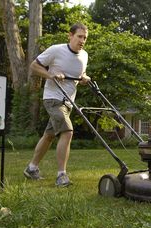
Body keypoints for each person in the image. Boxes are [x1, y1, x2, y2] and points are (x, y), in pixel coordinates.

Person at [23, 23, 90, 187]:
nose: (82, 40)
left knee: (49, 136)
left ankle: (31, 168)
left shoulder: (84, 55)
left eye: (85, 38)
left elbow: (80, 74)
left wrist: (84, 78)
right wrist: (50, 74)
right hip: (53, 98)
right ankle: (61, 175)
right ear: (70, 35)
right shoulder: (56, 50)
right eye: (79, 36)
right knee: (67, 132)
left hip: (69, 101)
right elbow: (34, 66)